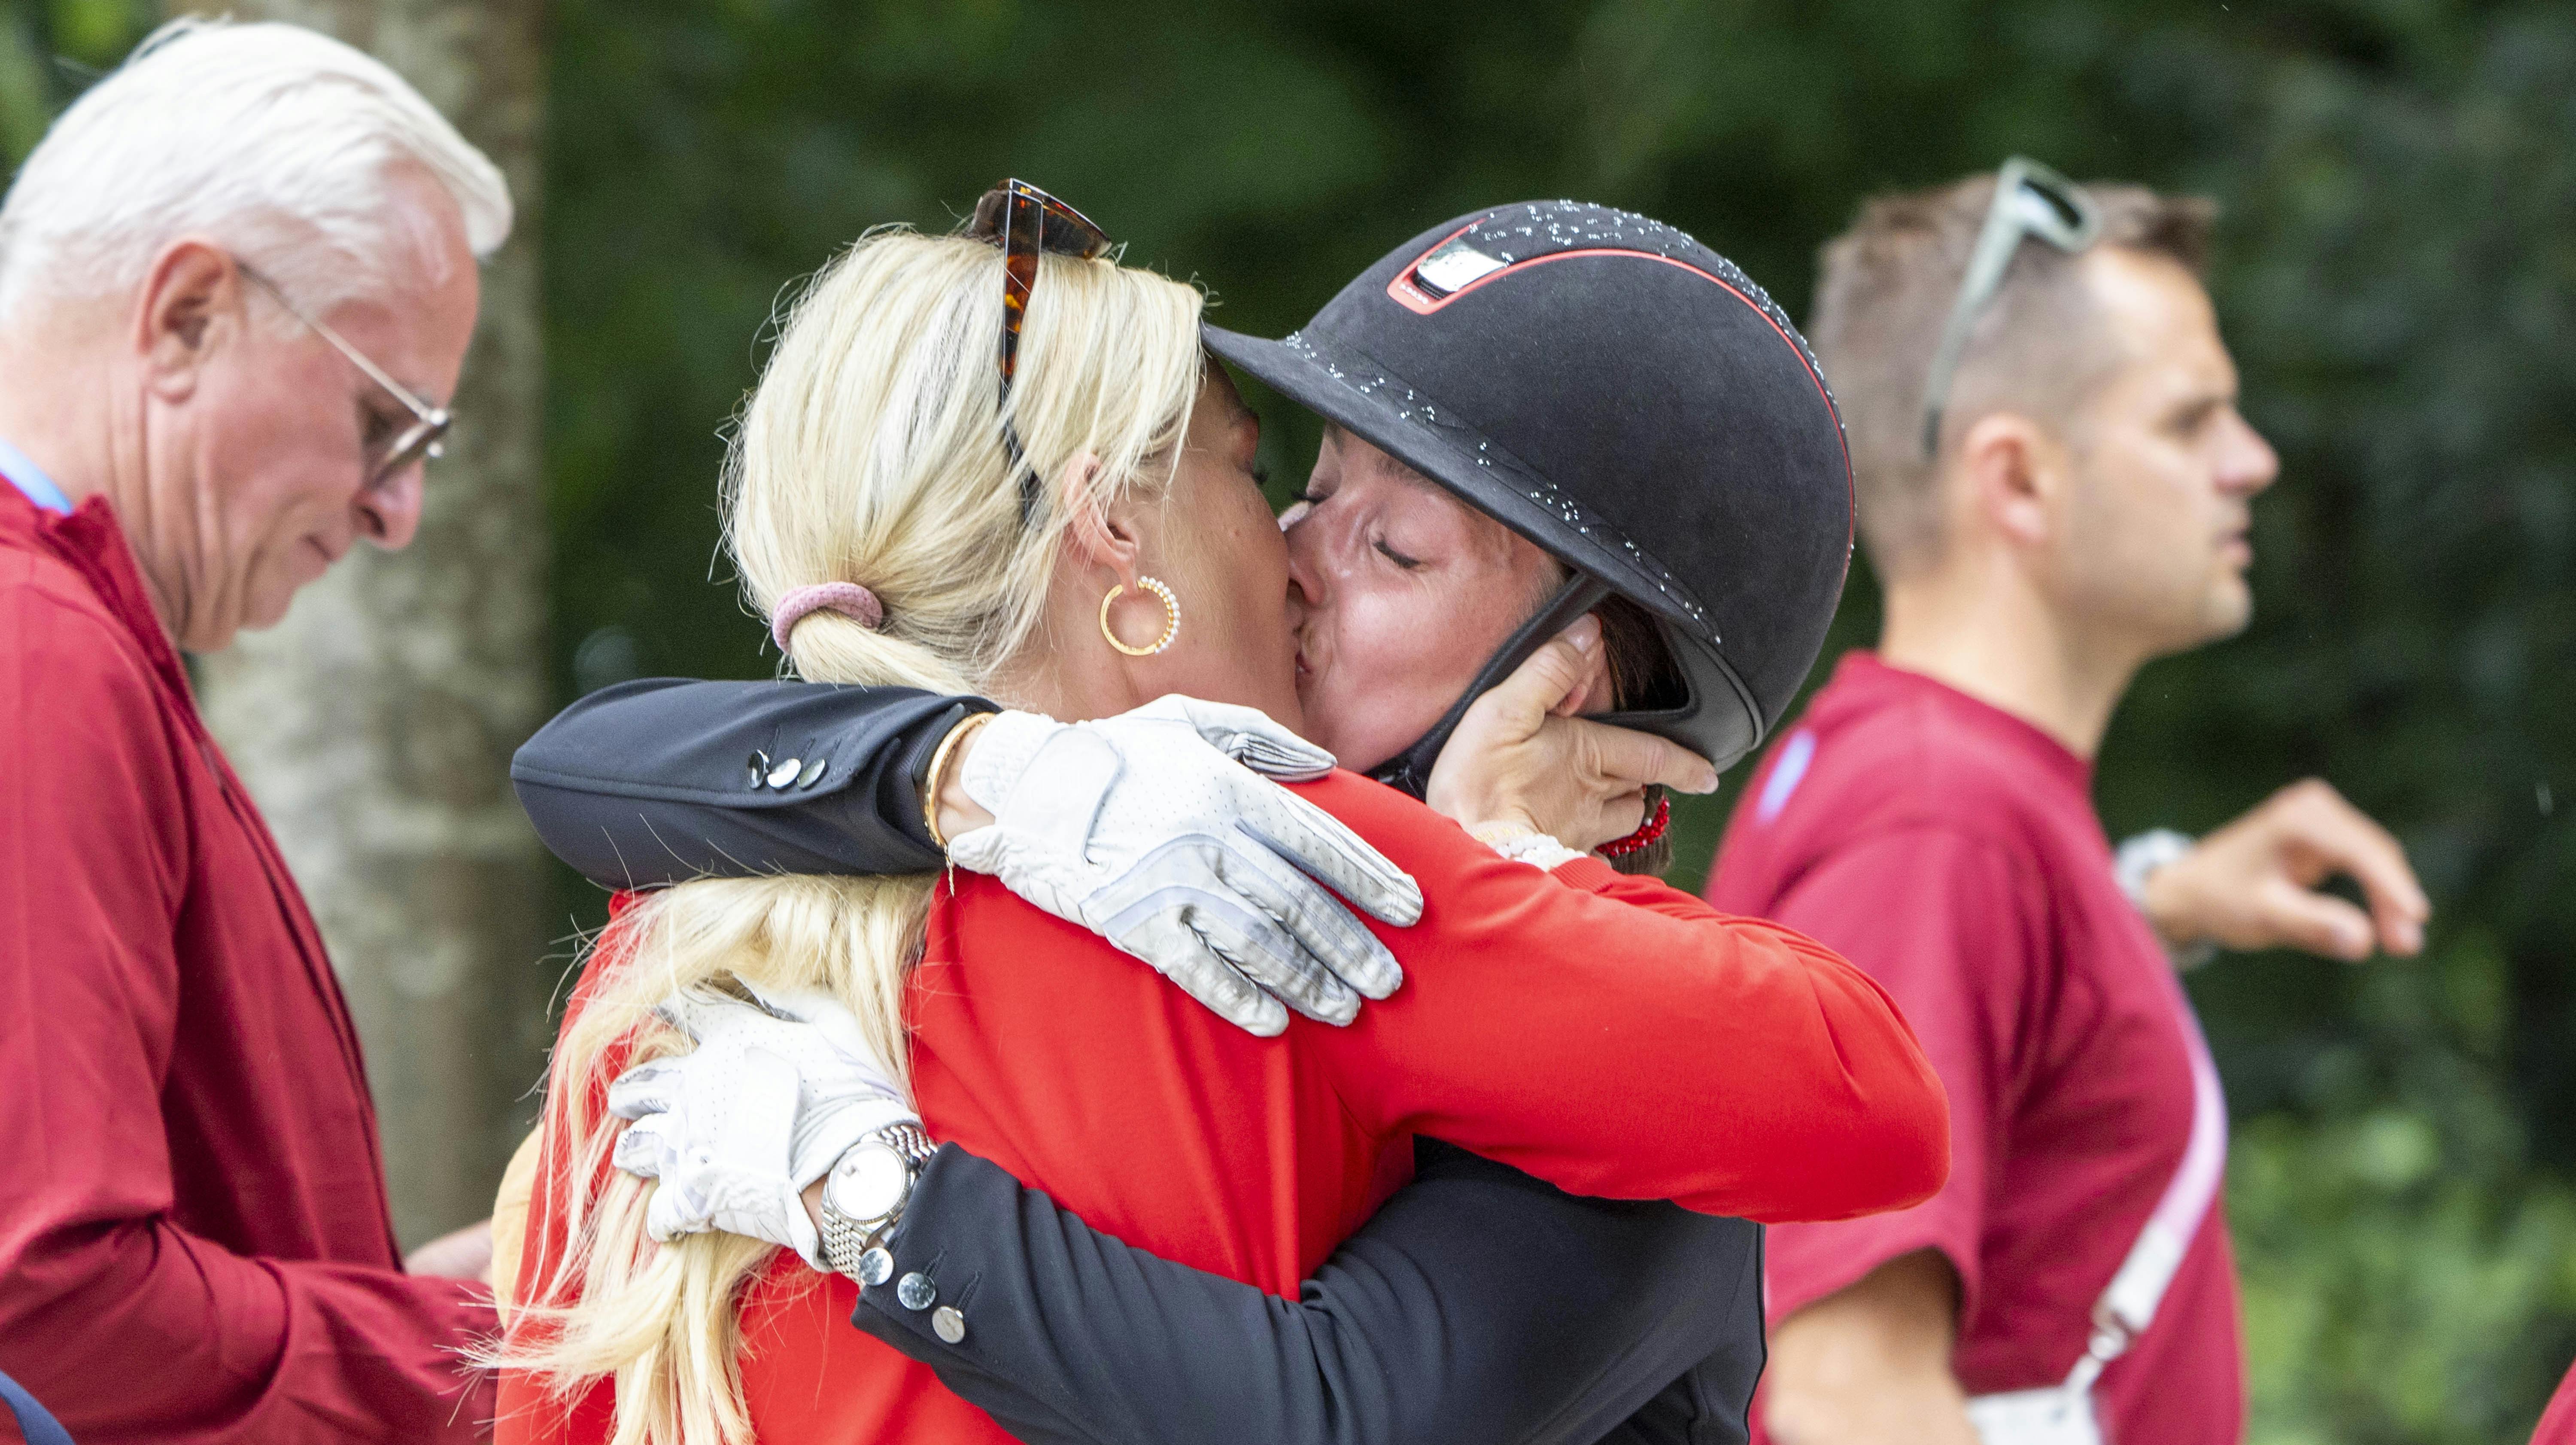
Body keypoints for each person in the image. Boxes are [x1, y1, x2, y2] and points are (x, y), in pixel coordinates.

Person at [493, 194, 1947, 1445]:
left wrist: (871, 1187)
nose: (1300, 560)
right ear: (1108, 531)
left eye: (1390, 546)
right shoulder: (1202, 885)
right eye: (1293, 488)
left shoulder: (661, 953)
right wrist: (985, 778)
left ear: (1581, 673)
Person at [1704, 161, 2433, 1445]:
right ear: (2021, 483)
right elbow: (1843, 1401)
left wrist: (2143, 909)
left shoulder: (1921, 788)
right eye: (2190, 422)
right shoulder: (1938, 824)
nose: (2250, 462)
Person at [0, 19, 514, 1443]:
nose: (395, 512)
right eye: (384, 421)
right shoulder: (35, 648)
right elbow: (39, 1308)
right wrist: (503, 1351)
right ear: (187, 318)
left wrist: (417, 1304)